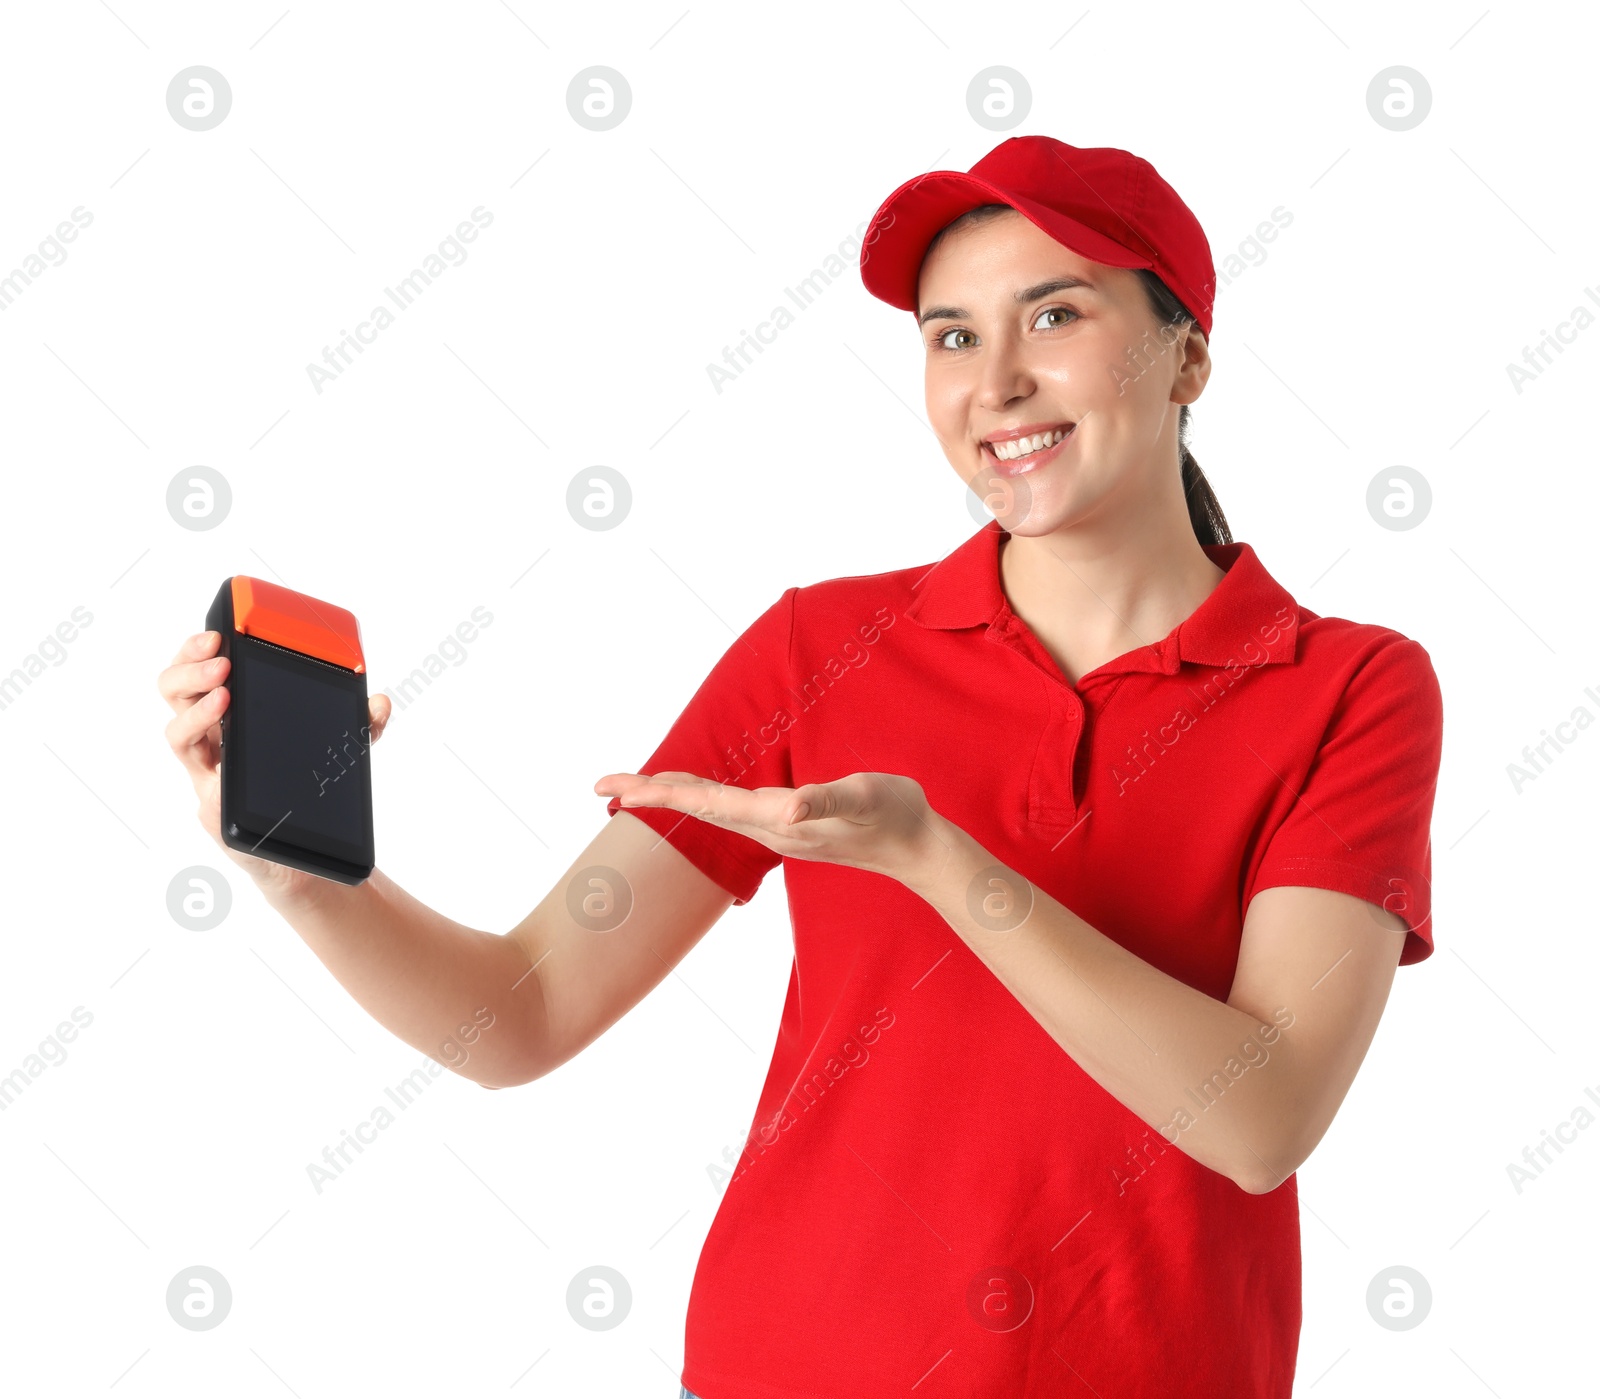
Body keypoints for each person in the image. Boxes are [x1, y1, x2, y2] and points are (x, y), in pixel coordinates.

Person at [159, 136, 1444, 1399]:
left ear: (1189, 355)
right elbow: (521, 1017)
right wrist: (299, 877)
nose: (994, 382)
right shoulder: (821, 650)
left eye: (1051, 315)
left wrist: (936, 859)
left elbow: (1260, 1116)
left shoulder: (1347, 687)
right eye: (950, 336)